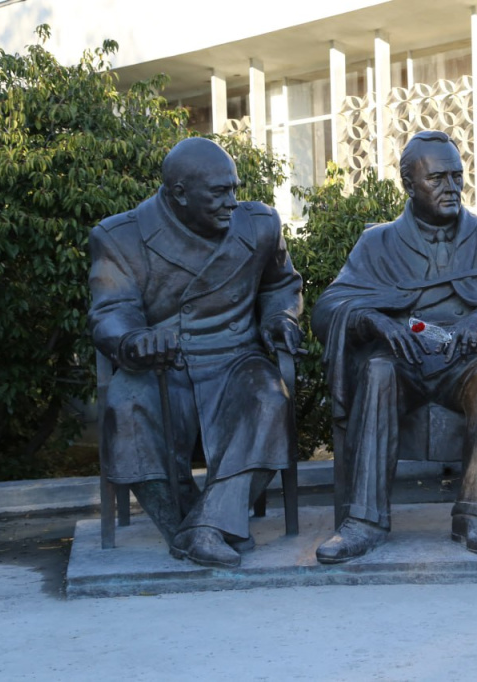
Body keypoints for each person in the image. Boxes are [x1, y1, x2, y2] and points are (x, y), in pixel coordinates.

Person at [312, 130, 477, 563]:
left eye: (457, 176)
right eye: (437, 178)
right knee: (377, 370)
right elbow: (329, 308)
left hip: (467, 359)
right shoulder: (378, 243)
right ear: (409, 184)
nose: (451, 187)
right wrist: (374, 321)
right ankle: (363, 521)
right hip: (402, 360)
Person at [88, 137, 303, 568]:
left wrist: (280, 318)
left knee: (270, 400)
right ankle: (190, 523)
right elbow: (111, 310)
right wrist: (133, 339)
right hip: (163, 361)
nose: (232, 202)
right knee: (127, 407)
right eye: (219, 192)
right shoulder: (120, 236)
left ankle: (204, 528)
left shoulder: (260, 225)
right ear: (179, 194)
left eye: (234, 189)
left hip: (236, 356)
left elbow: (280, 285)